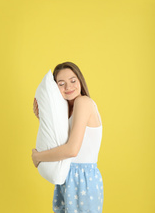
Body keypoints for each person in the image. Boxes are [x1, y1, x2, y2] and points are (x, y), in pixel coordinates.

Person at [32, 61, 104, 213]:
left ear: (80, 80)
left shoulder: (83, 102)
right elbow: (62, 140)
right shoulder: (67, 110)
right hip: (68, 177)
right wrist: (42, 118)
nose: (68, 87)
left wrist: (38, 156)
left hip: (82, 179)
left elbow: (72, 150)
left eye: (73, 81)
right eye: (61, 83)